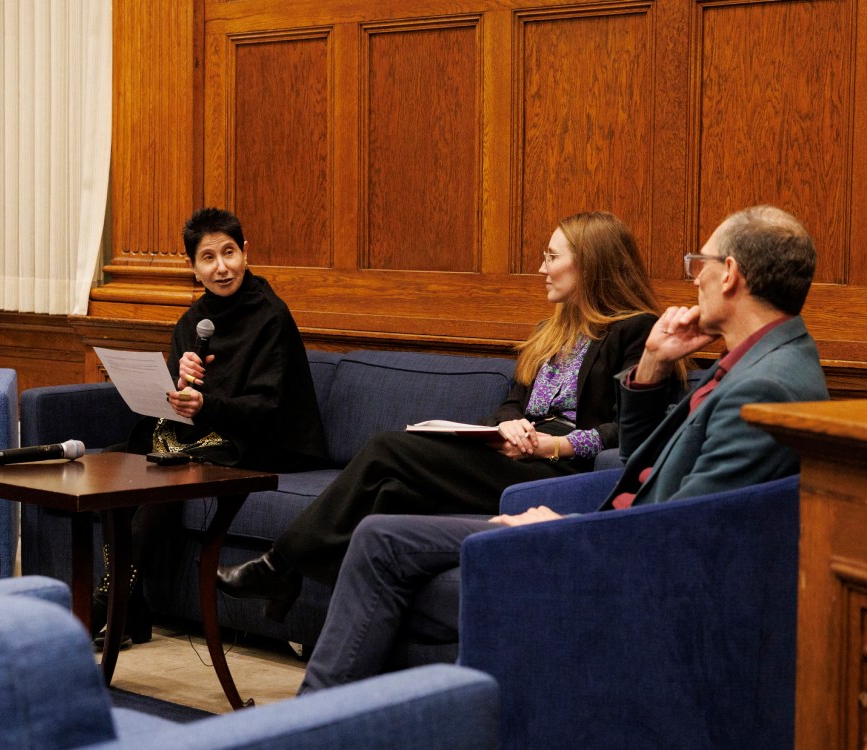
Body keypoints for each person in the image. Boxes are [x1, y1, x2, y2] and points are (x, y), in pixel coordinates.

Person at [299, 204, 830, 692]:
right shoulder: (753, 361)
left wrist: (559, 527)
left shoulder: (767, 385)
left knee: (383, 540)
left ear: (731, 273)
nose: (695, 276)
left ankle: (309, 726)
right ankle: (337, 721)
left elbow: (683, 531)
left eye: (701, 262)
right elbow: (638, 463)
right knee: (379, 532)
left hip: (623, 563)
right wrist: (650, 367)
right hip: (612, 526)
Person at [218, 210, 667, 620]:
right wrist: (507, 424)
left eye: (552, 257)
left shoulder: (636, 329)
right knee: (391, 492)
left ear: (589, 264)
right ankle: (348, 616)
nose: (542, 268)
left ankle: (281, 564)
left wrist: (556, 444)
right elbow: (514, 401)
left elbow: (631, 427)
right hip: (516, 453)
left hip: (561, 469)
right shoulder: (549, 330)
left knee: (385, 449)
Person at [95, 206, 329, 646]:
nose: (222, 267)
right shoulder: (193, 321)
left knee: (170, 468)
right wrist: (179, 383)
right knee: (117, 468)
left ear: (246, 252)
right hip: (209, 430)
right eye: (208, 257)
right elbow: (176, 401)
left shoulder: (271, 316)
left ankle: (110, 602)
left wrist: (204, 403)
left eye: (229, 253)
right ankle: (127, 605)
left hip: (267, 439)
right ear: (193, 267)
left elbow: (266, 406)